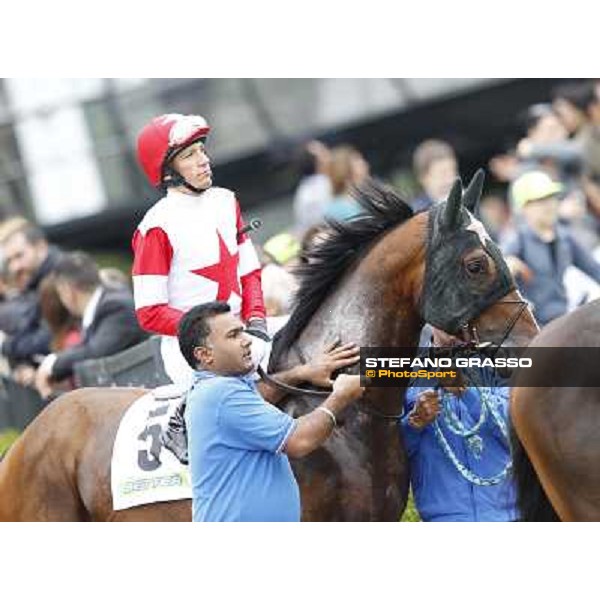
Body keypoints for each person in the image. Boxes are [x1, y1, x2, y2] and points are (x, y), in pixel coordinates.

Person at [179, 301, 365, 522]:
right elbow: (300, 440)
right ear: (204, 355)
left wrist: (301, 373)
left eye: (243, 331)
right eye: (233, 335)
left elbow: (258, 395)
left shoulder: (219, 389)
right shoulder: (221, 392)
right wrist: (340, 396)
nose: (247, 340)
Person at [132, 113, 267, 386]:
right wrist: (213, 333)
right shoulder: (155, 227)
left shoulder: (226, 200)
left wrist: (256, 319)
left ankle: (381, 376)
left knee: (344, 345)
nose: (204, 160)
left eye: (202, 150)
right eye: (190, 155)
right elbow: (149, 311)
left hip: (247, 333)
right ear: (168, 171)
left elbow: (250, 272)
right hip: (198, 355)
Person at [400, 327, 517, 522]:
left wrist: (467, 393)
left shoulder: (501, 364)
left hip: (509, 517)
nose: (459, 329)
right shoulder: (404, 370)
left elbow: (517, 433)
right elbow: (391, 454)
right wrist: (414, 424)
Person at [34, 252, 147, 398]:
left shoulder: (115, 306)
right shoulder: (104, 304)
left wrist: (53, 365)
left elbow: (96, 352)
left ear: (67, 290)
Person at [503, 171, 600, 325]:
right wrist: (508, 266)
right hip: (531, 325)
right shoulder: (517, 240)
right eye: (540, 200)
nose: (550, 205)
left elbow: (594, 269)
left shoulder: (565, 238)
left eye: (551, 198)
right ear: (524, 207)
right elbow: (497, 277)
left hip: (562, 318)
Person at [0, 222, 62, 379]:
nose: (15, 267)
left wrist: (5, 344)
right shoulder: (34, 282)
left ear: (41, 247)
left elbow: (50, 339)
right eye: (10, 260)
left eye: (19, 256)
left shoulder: (61, 276)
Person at [410, 139, 458, 213]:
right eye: (442, 174)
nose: (450, 180)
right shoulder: (416, 214)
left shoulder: (466, 206)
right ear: (423, 178)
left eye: (453, 172)